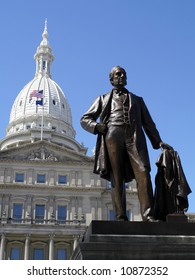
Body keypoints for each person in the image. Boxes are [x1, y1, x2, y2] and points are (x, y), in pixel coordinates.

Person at [80, 66, 171, 222]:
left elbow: (149, 124)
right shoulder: (102, 98)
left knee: (143, 172)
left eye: (123, 74)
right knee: (117, 177)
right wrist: (97, 127)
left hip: (134, 137)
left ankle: (148, 215)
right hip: (112, 136)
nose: (121, 76)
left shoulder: (137, 100)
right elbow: (85, 119)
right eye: (118, 74)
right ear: (111, 79)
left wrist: (158, 142)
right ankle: (120, 216)